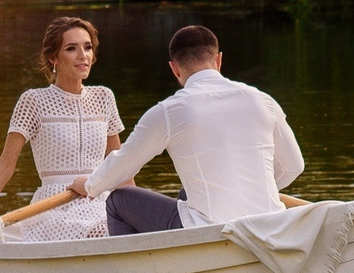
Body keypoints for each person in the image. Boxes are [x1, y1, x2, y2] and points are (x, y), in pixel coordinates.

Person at [86, 24, 303, 234]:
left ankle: (138, 270)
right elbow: (293, 166)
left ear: (174, 68)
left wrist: (90, 185)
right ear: (218, 60)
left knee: (118, 200)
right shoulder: (263, 101)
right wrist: (246, 193)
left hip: (209, 230)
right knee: (185, 194)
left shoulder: (169, 111)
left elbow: (122, 166)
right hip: (270, 224)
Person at [0, 16, 125, 241]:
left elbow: (120, 163)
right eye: (71, 48)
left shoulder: (104, 97)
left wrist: (134, 208)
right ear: (52, 57)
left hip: (99, 200)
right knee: (100, 231)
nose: (83, 55)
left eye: (87, 47)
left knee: (121, 228)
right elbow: (6, 164)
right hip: (55, 206)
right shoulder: (34, 101)